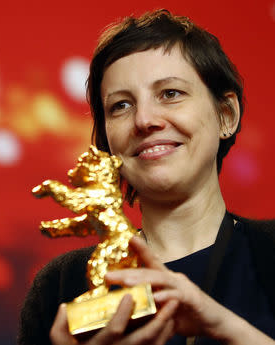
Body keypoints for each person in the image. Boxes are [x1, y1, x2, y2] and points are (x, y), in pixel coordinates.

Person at [18, 9, 275, 345]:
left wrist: (223, 325)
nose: (145, 120)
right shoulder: (61, 286)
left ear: (225, 115)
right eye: (121, 106)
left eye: (170, 93)